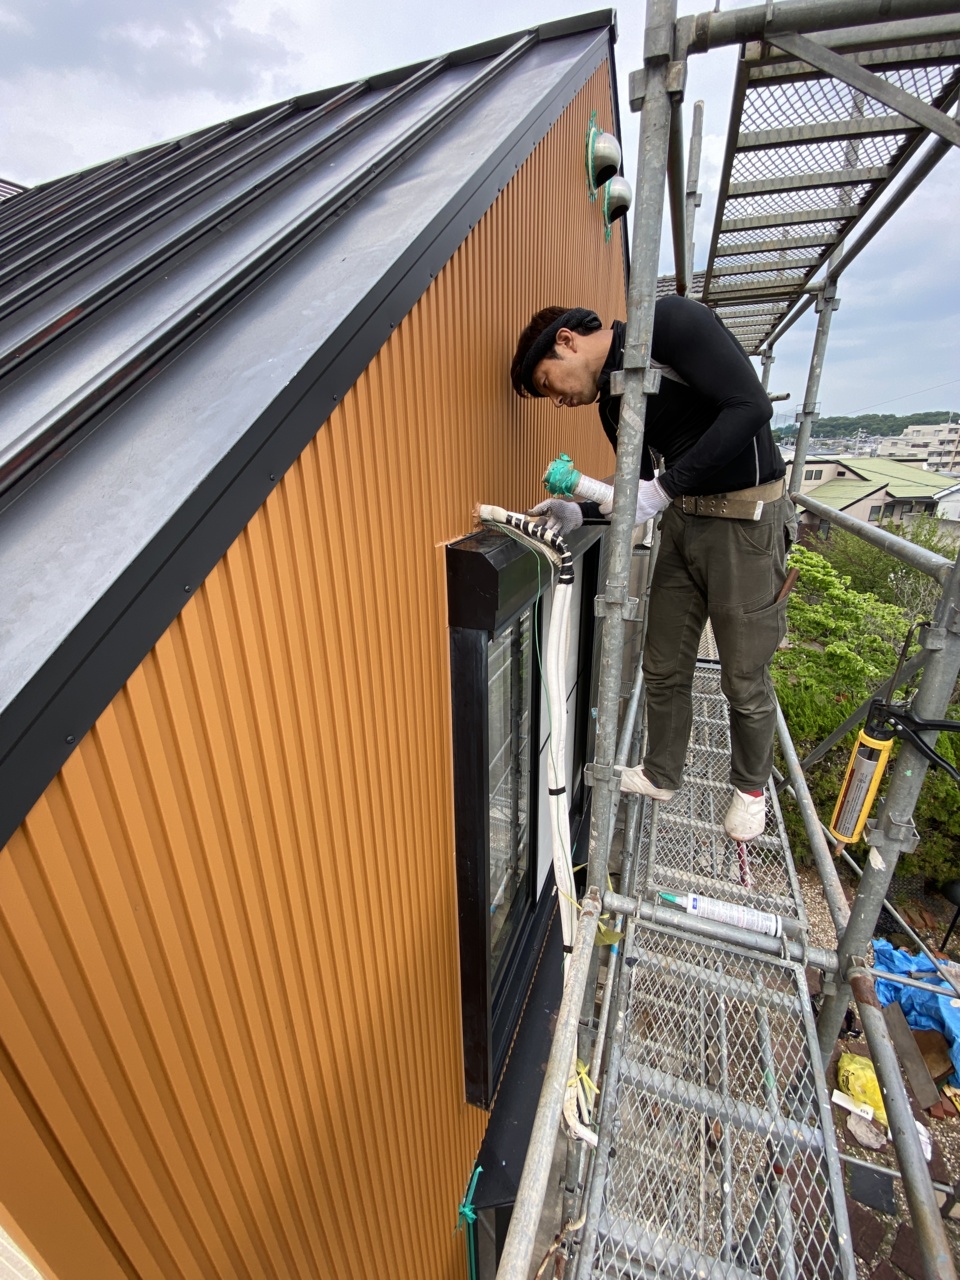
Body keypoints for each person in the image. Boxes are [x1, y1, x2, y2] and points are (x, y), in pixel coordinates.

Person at [509, 295, 796, 842]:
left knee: (742, 673)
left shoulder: (669, 325)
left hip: (746, 520)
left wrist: (661, 489)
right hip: (683, 523)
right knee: (662, 662)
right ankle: (663, 773)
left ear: (566, 341)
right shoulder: (613, 406)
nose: (558, 401)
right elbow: (634, 495)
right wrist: (582, 509)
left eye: (549, 384)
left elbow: (750, 407)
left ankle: (750, 788)